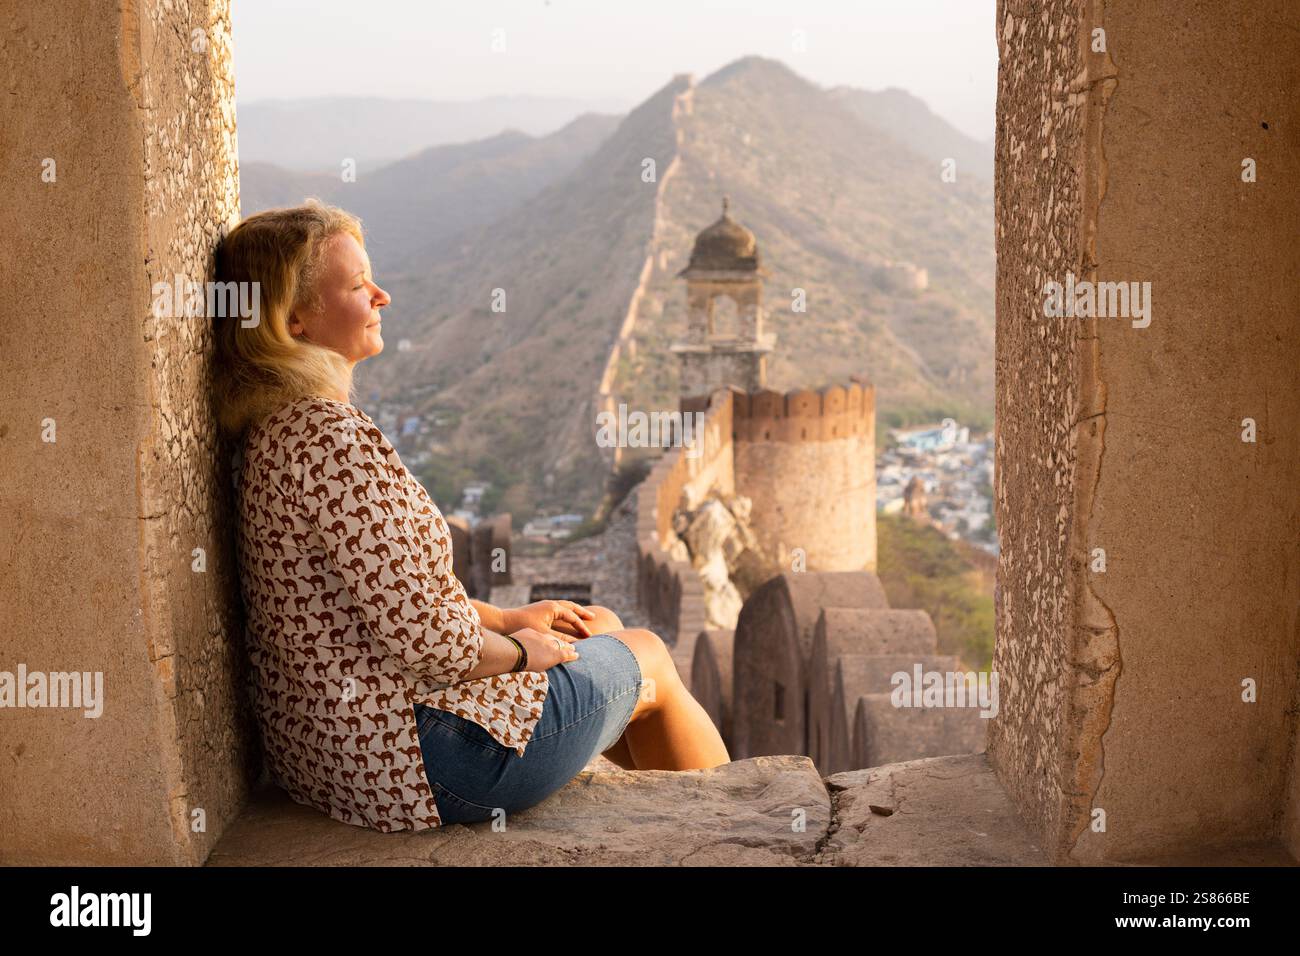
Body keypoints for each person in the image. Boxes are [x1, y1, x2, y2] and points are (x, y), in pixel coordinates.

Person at [212, 199, 729, 831]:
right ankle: (724, 829)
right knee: (646, 653)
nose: (382, 295)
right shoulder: (328, 440)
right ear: (294, 322)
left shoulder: (275, 429)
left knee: (603, 630)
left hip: (329, 751)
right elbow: (425, 640)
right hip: (416, 760)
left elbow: (383, 600)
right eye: (356, 285)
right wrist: (520, 651)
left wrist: (510, 617)